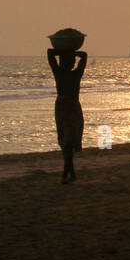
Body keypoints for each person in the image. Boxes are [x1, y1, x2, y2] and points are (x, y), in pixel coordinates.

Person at [47, 49, 87, 183]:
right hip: (66, 108)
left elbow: (50, 54)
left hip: (68, 107)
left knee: (68, 140)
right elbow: (84, 56)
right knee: (66, 140)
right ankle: (69, 173)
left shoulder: (63, 74)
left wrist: (64, 52)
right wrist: (72, 53)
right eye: (67, 61)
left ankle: (68, 173)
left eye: (70, 62)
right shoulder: (72, 74)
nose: (68, 64)